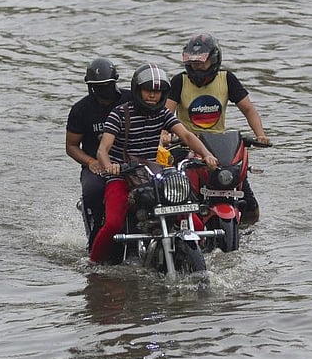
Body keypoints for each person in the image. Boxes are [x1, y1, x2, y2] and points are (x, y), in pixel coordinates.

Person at [89, 63, 219, 265]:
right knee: (113, 223)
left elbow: (185, 135)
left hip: (150, 175)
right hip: (122, 174)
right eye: (148, 90)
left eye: (158, 92)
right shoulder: (119, 114)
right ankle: (92, 263)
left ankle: (195, 258)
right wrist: (110, 166)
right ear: (137, 90)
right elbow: (102, 150)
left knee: (195, 222)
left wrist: (207, 154)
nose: (153, 96)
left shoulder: (163, 114)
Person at [164, 32, 270, 222]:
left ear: (213, 60)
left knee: (249, 203)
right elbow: (166, 113)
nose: (196, 66)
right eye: (193, 62)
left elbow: (248, 109)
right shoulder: (179, 81)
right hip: (186, 145)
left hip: (219, 148)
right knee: (175, 191)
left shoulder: (226, 79)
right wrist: (164, 134)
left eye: (201, 62)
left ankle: (245, 231)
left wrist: (260, 135)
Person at [65, 58, 131, 250]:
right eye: (97, 87)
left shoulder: (130, 100)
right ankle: (94, 237)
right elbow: (71, 146)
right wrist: (91, 161)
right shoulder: (80, 110)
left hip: (129, 163)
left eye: (106, 86)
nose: (103, 91)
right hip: (96, 167)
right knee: (92, 191)